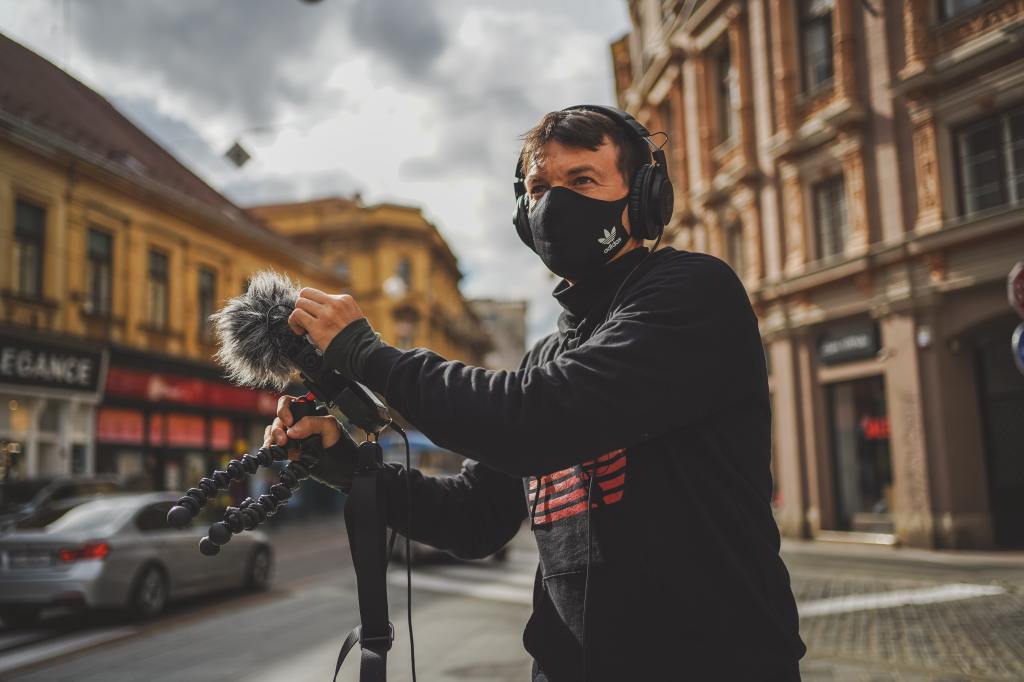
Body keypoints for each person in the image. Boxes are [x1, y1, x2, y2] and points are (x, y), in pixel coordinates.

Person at [265, 105, 806, 681]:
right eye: (539, 188)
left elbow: (533, 418)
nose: (555, 203)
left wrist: (367, 354)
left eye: (583, 181)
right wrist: (350, 467)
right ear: (525, 218)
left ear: (644, 196)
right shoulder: (545, 357)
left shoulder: (691, 292)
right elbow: (476, 517)